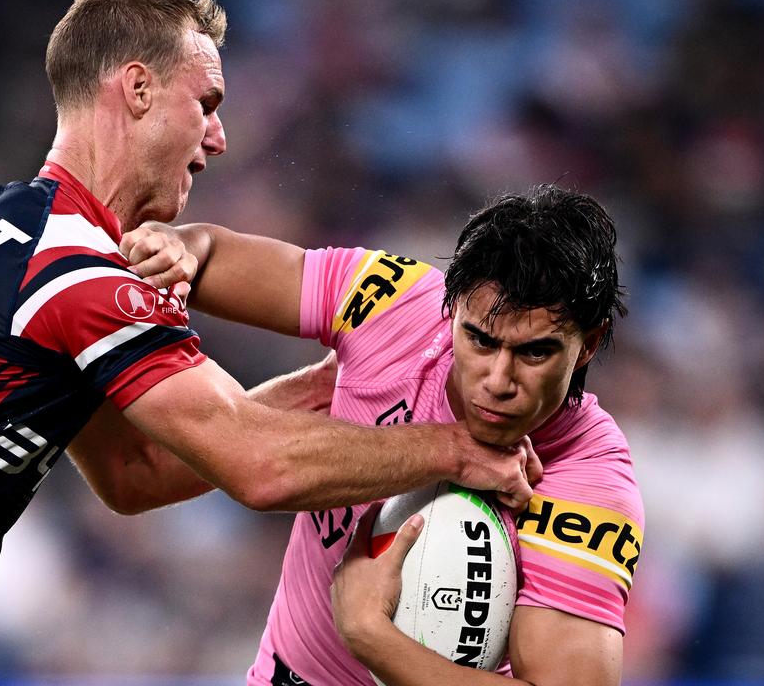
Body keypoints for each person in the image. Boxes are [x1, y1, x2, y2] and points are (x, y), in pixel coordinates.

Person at [0, 0, 537, 686]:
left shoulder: (2, 222)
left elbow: (135, 473)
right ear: (135, 88)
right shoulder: (83, 272)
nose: (220, 138)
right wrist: (456, 451)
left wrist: (322, 392)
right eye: (206, 103)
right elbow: (258, 466)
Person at [144, 184, 641, 685]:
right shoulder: (392, 305)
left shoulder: (590, 484)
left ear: (588, 344)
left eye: (534, 352)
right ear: (451, 310)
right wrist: (176, 245)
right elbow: (209, 252)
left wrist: (369, 635)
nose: (498, 380)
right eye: (479, 340)